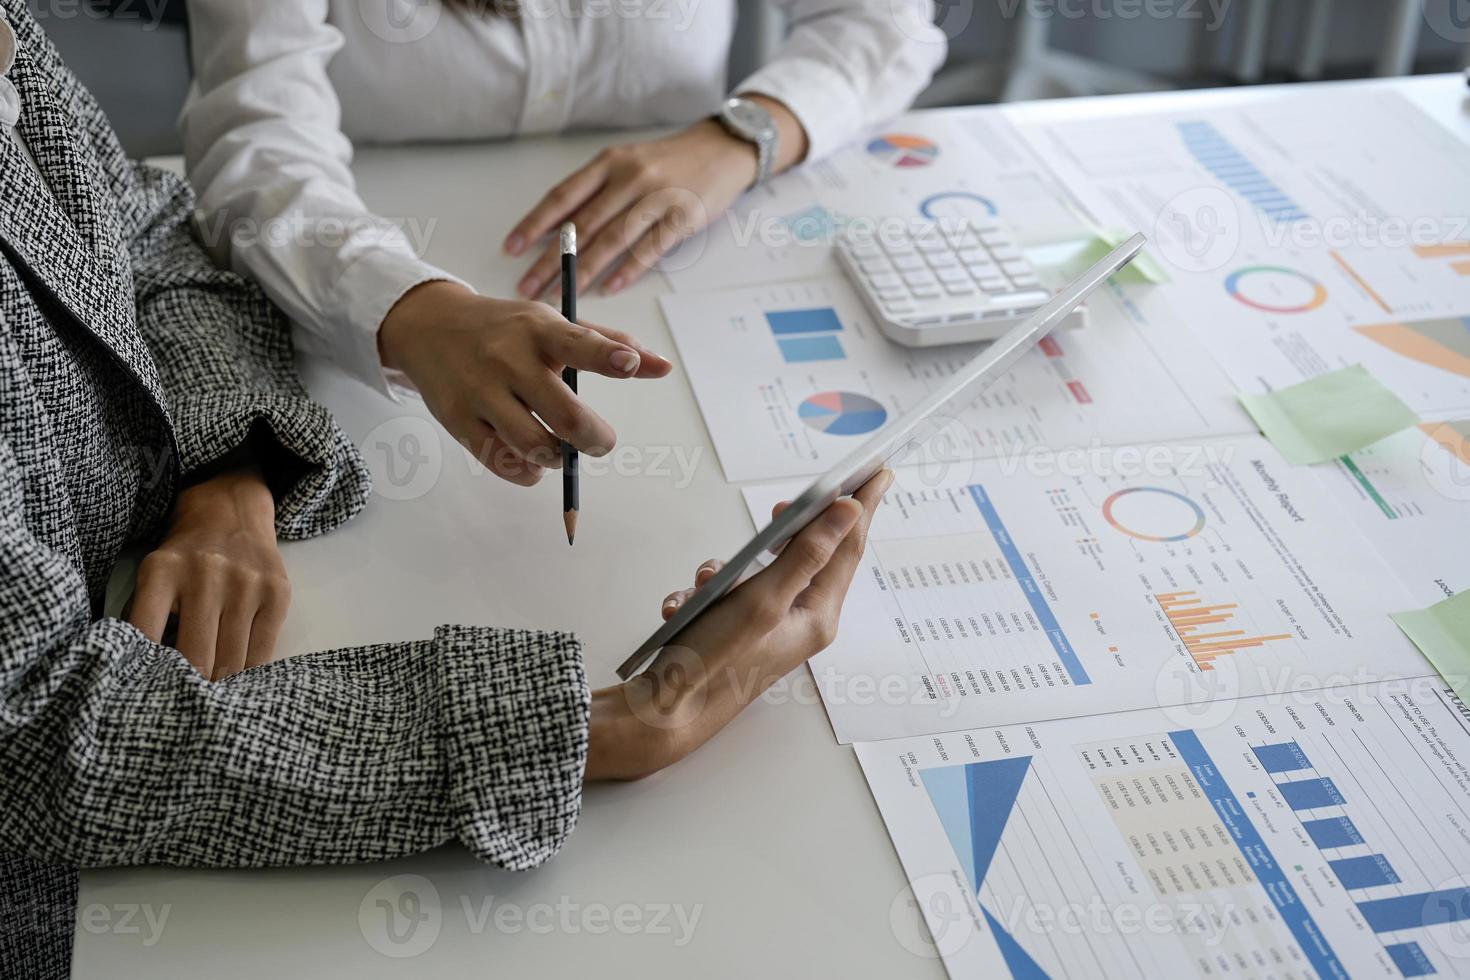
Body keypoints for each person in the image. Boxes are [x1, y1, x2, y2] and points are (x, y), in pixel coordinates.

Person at [0, 4, 888, 975]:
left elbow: (146, 232)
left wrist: (227, 471)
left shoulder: (11, 46)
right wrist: (615, 722)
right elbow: (41, 739)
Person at [181, 0, 946, 484]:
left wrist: (747, 132)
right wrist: (407, 310)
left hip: (695, 268)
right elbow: (256, 139)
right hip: (350, 289)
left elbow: (887, 22)